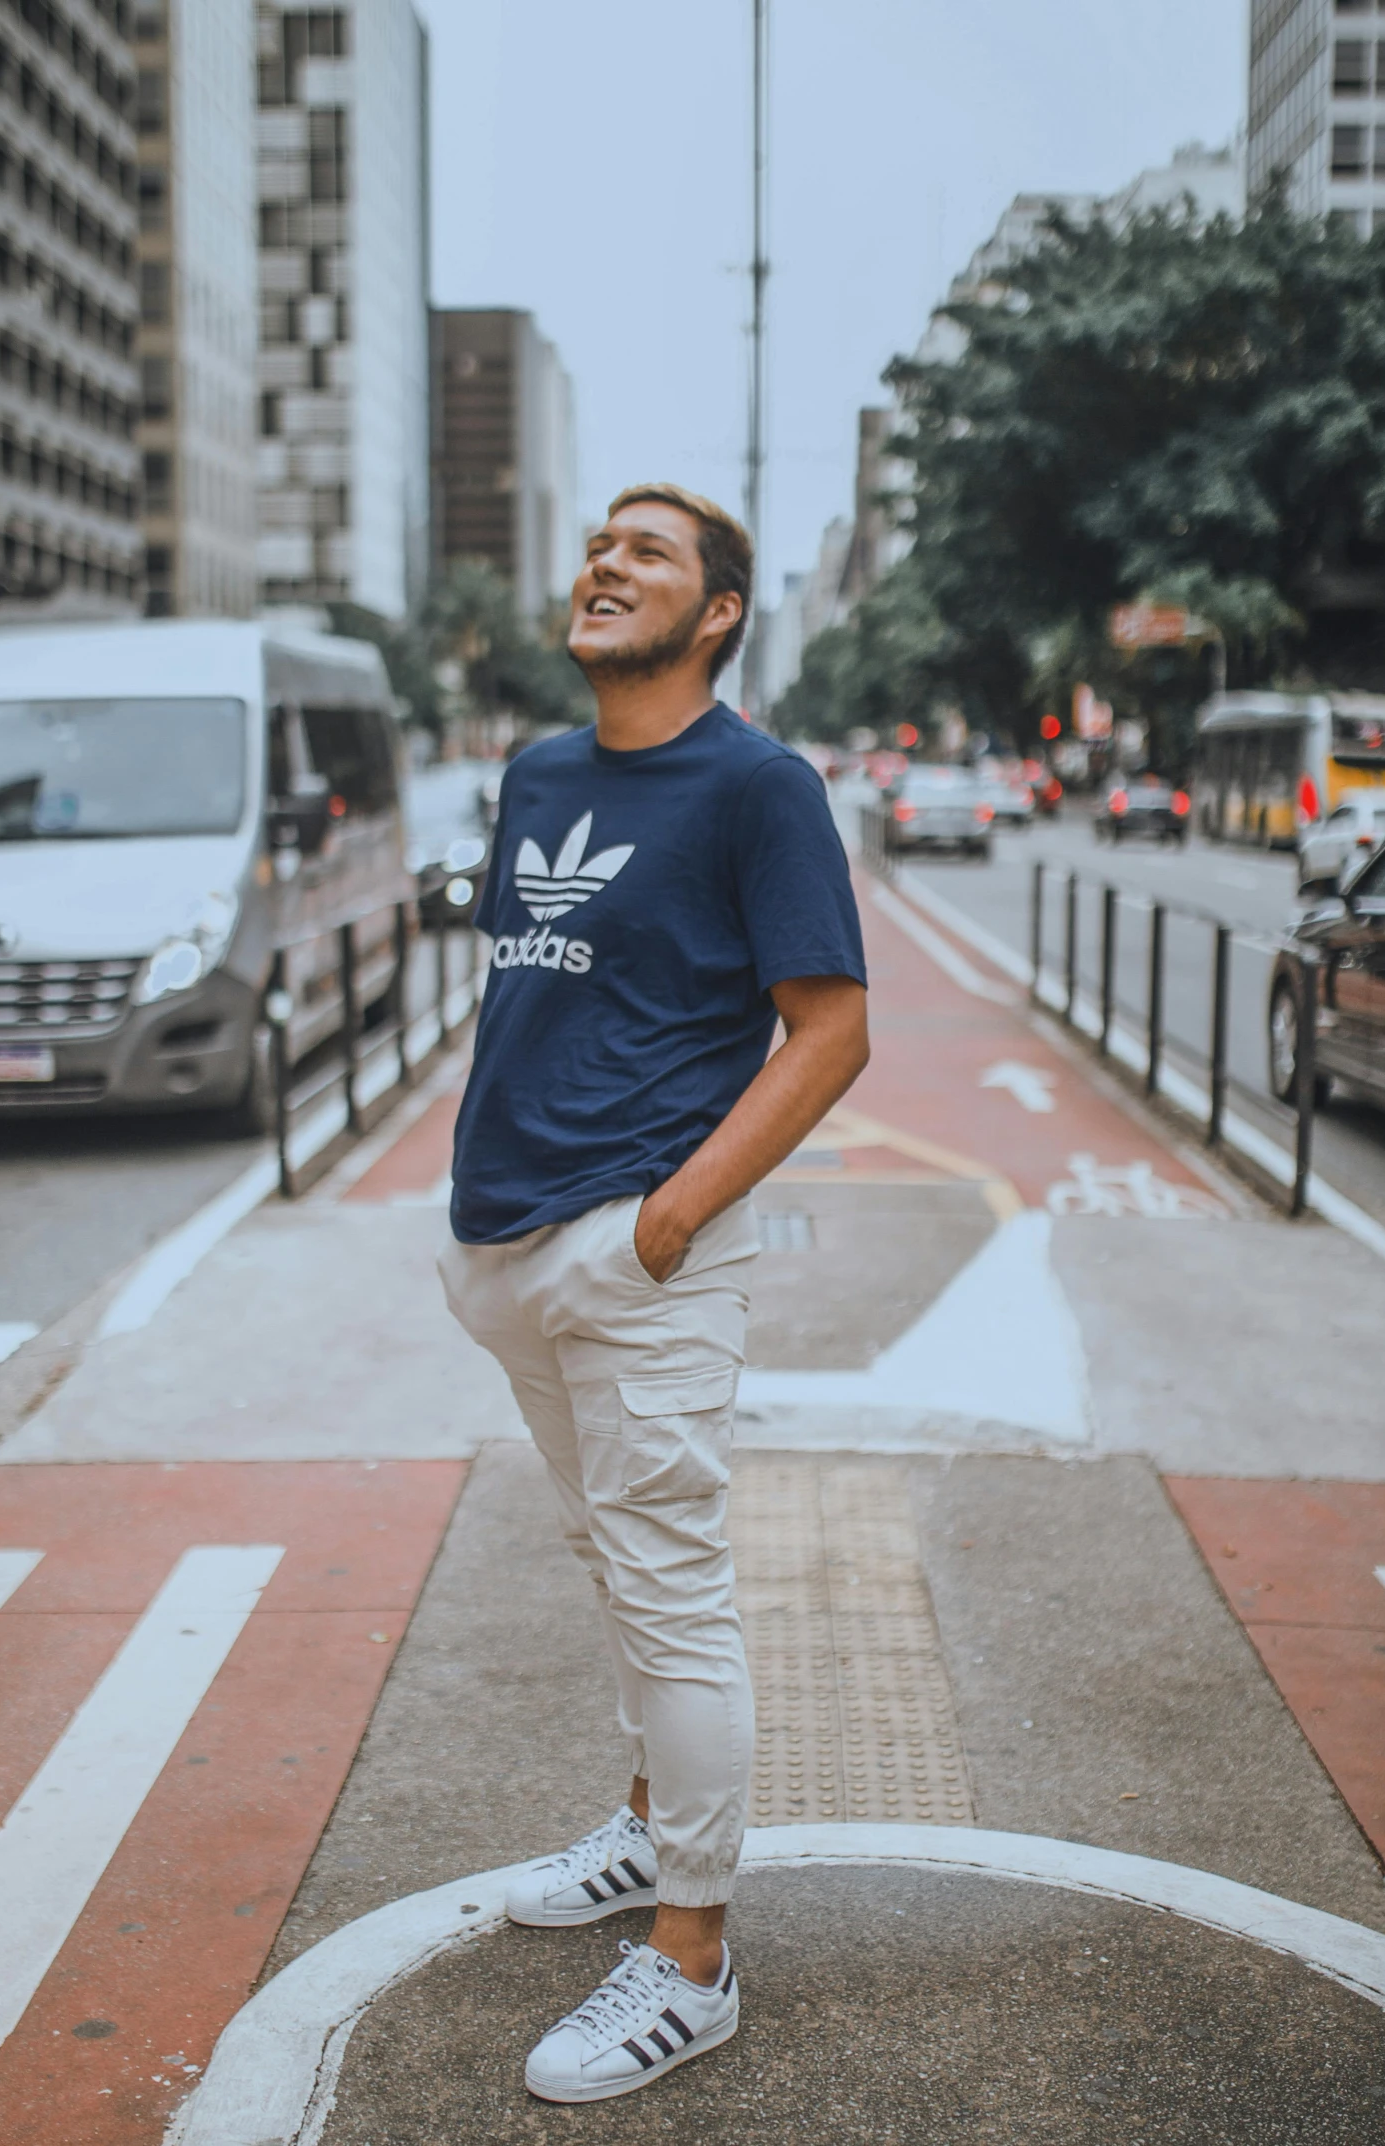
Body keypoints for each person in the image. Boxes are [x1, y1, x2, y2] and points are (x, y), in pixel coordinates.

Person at [438, 482, 869, 2104]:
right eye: (601, 542)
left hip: (639, 1250)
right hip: (508, 1243)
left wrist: (671, 1219)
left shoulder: (760, 786)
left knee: (672, 1586)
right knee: (611, 1560)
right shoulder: (540, 773)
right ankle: (647, 1828)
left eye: (652, 553)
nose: (608, 563)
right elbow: (529, 996)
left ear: (718, 615)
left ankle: (693, 1955)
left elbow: (832, 1031)